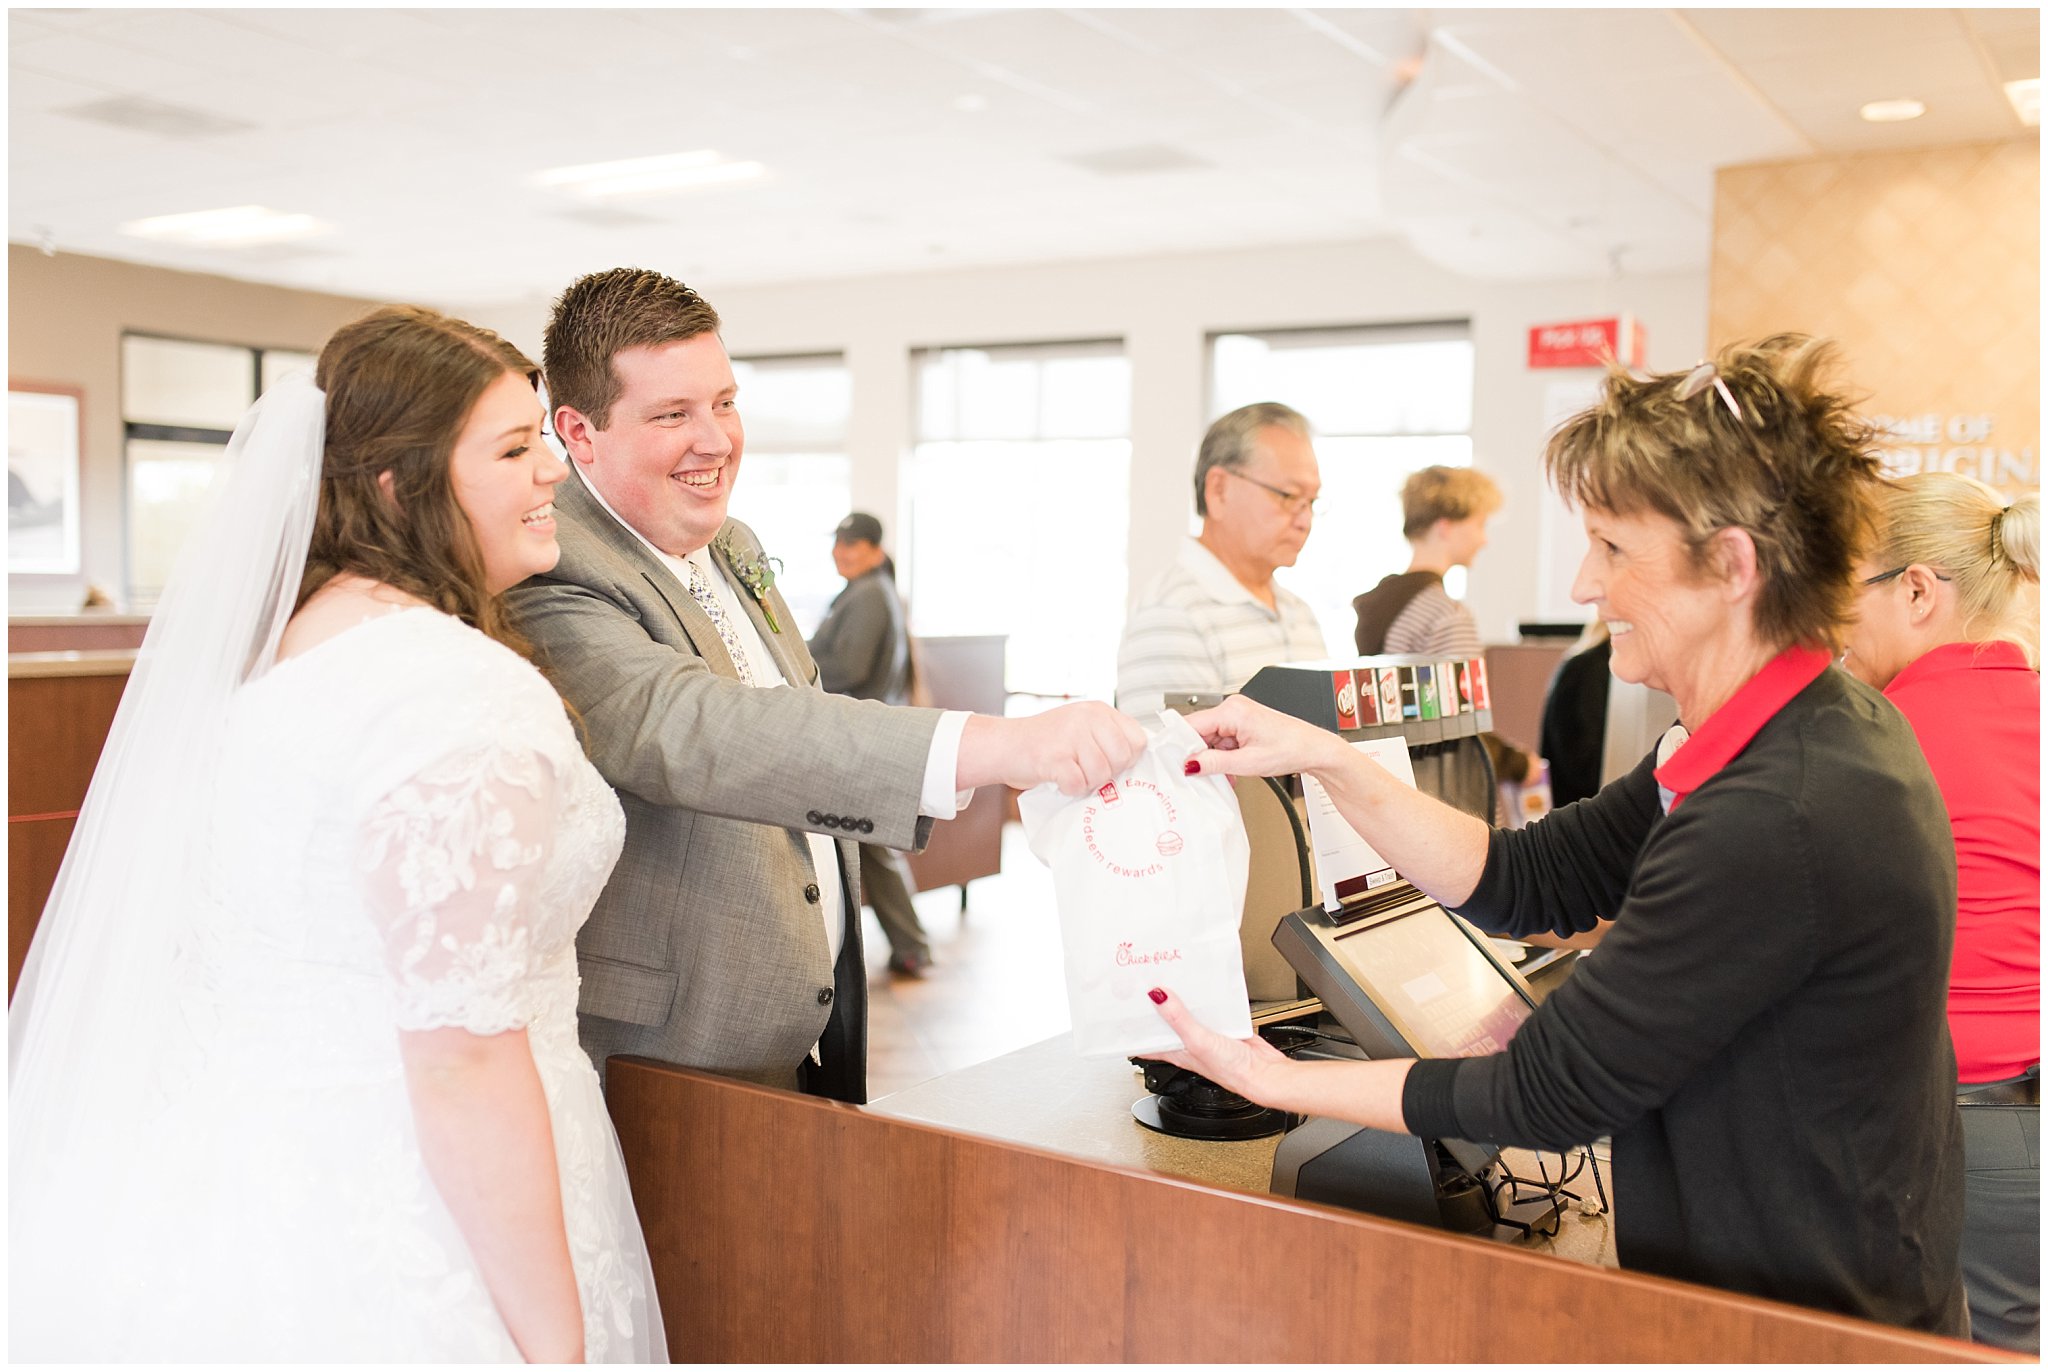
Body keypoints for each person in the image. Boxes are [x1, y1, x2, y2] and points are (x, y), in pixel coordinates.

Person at [1148, 337, 1967, 1334]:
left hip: (1803, 1317)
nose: (1582, 584)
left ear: (1731, 567)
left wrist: (1274, 1079)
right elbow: (1530, 877)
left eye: (1613, 550)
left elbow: (1547, 1086)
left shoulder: (1781, 809)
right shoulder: (1778, 724)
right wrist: (1327, 756)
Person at [9, 306, 664, 1360]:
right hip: (407, 1208)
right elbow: (459, 1057)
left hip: (224, 1187)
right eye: (512, 446)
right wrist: (559, 1346)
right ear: (401, 487)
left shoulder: (280, 658)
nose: (552, 468)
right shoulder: (460, 693)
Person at [511, 268, 1143, 1105]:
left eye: (725, 403)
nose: (717, 441)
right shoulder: (552, 568)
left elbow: (794, 706)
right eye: (673, 415)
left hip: (807, 1025)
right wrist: (996, 744)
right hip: (672, 1055)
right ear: (578, 433)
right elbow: (695, 728)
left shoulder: (733, 539)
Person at [1842, 473, 2040, 1353]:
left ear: (1917, 589)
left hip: (1958, 1124)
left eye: (1847, 596)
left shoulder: (1882, 734)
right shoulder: (2031, 705)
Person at [1115, 402, 1328, 718]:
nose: (1304, 520)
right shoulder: (1172, 615)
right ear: (1219, 490)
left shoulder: (1299, 613)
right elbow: (1175, 764)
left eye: (1311, 502)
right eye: (1288, 496)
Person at [809, 510, 933, 977]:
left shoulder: (867, 596)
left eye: (853, 545)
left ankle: (911, 945)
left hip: (857, 740)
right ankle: (910, 945)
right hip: (866, 737)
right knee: (871, 848)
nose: (842, 552)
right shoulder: (874, 592)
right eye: (838, 543)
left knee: (872, 849)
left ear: (875, 551)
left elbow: (849, 668)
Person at [1352, 464, 1502, 657]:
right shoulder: (1448, 616)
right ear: (1445, 526)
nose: (1484, 540)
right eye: (1480, 525)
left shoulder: (1379, 602)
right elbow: (1463, 688)